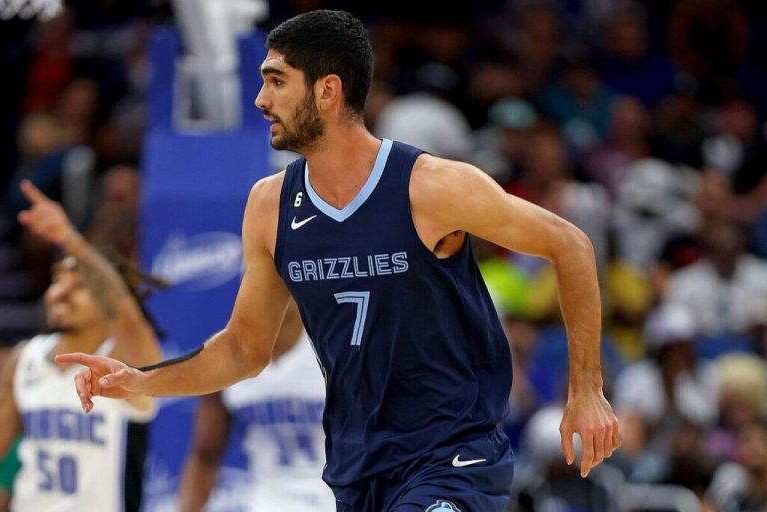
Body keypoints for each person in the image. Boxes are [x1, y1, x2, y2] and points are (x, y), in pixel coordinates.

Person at [57, 10, 620, 511]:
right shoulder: (268, 205)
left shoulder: (431, 186)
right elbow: (242, 351)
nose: (261, 101)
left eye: (276, 81)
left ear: (327, 91)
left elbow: (569, 244)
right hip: (356, 472)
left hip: (452, 460)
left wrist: (587, 390)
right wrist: (140, 381)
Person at [0, 179, 163, 511]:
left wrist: (70, 240)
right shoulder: (24, 359)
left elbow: (126, 314)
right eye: (58, 279)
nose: (62, 291)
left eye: (80, 285)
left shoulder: (127, 360)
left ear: (106, 300)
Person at [178, 299, 334, 511]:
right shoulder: (228, 357)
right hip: (266, 503)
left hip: (333, 502)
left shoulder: (334, 349)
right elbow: (205, 455)